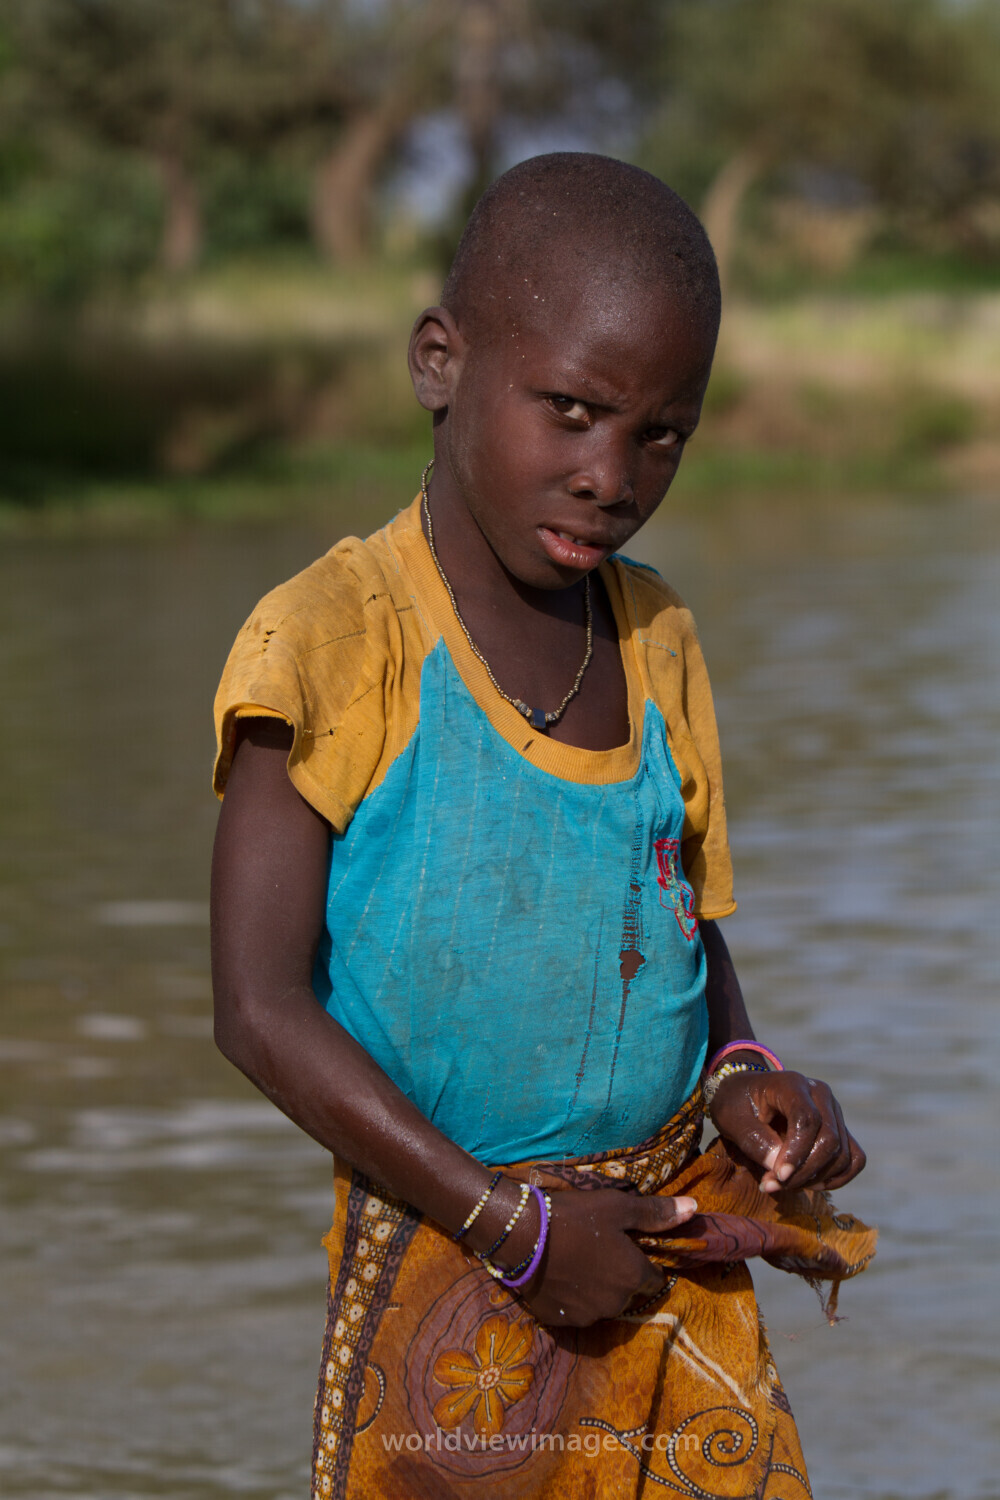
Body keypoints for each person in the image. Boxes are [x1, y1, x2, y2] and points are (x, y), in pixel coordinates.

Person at [210, 153, 875, 1499]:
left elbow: (684, 917)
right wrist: (511, 1227)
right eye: (570, 411)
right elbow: (258, 1010)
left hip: (664, 1235)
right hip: (458, 1239)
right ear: (442, 361)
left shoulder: (658, 635)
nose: (609, 474)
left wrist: (748, 1075)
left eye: (660, 433)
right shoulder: (335, 638)